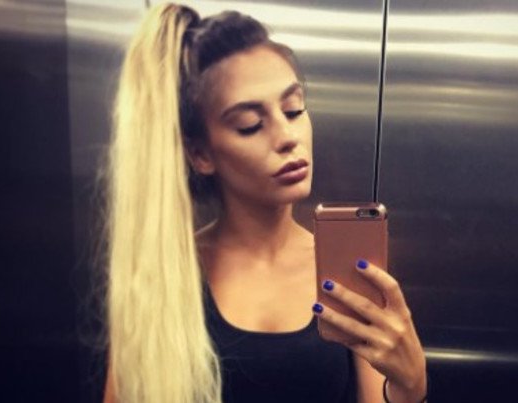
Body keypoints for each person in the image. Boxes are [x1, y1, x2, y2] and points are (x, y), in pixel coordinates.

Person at [103, 2, 427, 402]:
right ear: (200, 154)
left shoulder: (348, 272)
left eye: (294, 109)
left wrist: (410, 386)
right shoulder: (163, 276)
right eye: (250, 125)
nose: (287, 137)